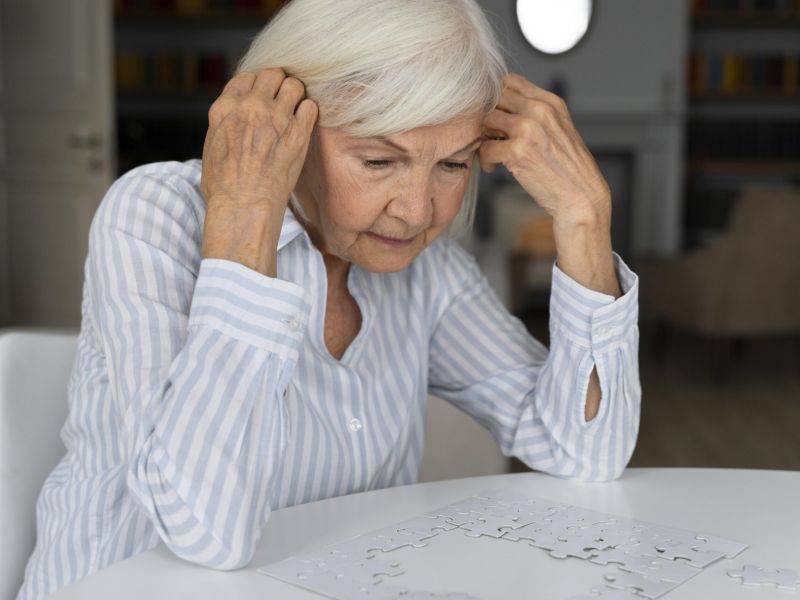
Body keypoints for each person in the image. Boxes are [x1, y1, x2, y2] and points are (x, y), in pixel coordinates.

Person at [17, 0, 641, 597]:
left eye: (452, 165)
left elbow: (585, 450)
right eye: (378, 161)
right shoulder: (154, 217)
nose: (418, 211)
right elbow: (206, 531)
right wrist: (246, 215)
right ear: (289, 128)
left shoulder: (431, 274)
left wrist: (585, 216)